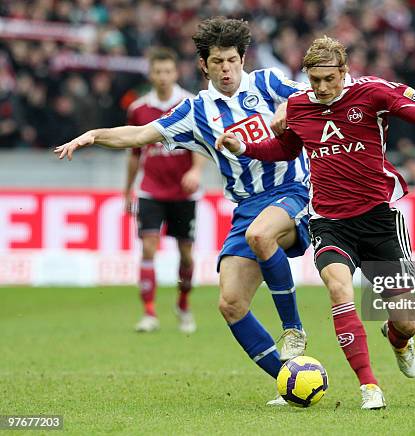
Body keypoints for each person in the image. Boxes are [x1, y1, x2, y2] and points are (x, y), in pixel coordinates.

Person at [216, 36, 415, 409]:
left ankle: (398, 338)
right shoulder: (300, 106)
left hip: (379, 218)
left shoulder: (373, 92)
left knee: (406, 321)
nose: (320, 88)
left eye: (328, 79)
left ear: (344, 72)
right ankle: (369, 386)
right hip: (330, 220)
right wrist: (246, 148)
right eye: (314, 80)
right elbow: (286, 149)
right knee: (339, 290)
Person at [54, 17, 309, 405]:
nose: (227, 69)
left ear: (243, 60)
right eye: (218, 62)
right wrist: (94, 135)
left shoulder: (268, 83)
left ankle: (293, 329)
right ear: (204, 65)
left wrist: (289, 110)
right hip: (246, 206)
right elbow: (139, 135)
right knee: (230, 304)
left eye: (233, 61)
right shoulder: (195, 110)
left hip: (291, 191)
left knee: (262, 235)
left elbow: (308, 97)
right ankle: (291, 381)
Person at [124, 47, 203, 334]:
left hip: (183, 193)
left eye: (167, 71)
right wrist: (126, 190)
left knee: (185, 254)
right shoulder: (138, 109)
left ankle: (183, 303)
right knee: (147, 247)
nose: (162, 77)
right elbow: (134, 152)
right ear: (151, 74)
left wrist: (195, 170)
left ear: (176, 73)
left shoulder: (190, 104)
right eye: (157, 72)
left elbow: (200, 144)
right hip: (150, 190)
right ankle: (148, 312)